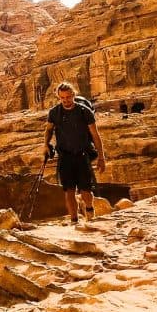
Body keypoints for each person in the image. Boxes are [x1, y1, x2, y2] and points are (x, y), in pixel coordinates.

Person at [42, 82, 107, 227]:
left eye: (68, 97)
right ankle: (74, 220)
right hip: (65, 156)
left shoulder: (84, 111)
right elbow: (48, 130)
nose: (66, 100)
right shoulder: (54, 112)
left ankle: (89, 211)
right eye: (62, 98)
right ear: (59, 97)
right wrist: (45, 145)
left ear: (74, 95)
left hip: (82, 155)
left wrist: (101, 157)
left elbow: (95, 135)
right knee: (69, 191)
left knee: (85, 190)